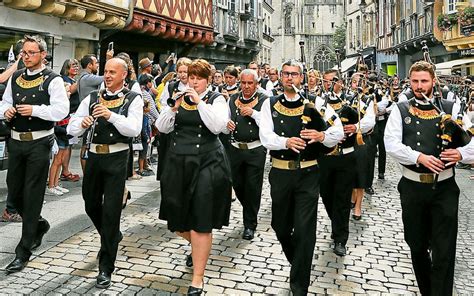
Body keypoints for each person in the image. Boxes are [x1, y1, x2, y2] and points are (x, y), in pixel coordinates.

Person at [384, 61, 474, 295]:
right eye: (415, 81)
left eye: (424, 81)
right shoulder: (400, 109)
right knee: (417, 245)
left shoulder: (450, 108)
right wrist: (419, 157)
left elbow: (471, 138)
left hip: (444, 188)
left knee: (444, 250)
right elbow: (391, 144)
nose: (419, 86)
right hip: (413, 188)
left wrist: (461, 153)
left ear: (433, 81)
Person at [259, 59, 343, 295]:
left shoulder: (315, 103)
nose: (289, 78)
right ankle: (299, 262)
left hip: (308, 172)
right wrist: (285, 141)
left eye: (294, 74)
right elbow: (265, 136)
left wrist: (320, 135)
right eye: (285, 74)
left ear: (302, 78)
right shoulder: (270, 104)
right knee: (280, 226)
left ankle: (299, 286)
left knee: (306, 230)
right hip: (280, 172)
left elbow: (336, 131)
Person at [156, 58, 232, 295]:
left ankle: (197, 278)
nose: (194, 81)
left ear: (208, 80)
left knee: (201, 220)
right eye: (191, 77)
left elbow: (217, 126)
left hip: (207, 163)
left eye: (199, 78)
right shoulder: (179, 97)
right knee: (176, 219)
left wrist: (199, 102)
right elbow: (162, 127)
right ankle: (200, 246)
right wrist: (173, 108)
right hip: (179, 162)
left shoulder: (216, 99)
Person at [67, 58, 143, 288]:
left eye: (112, 72)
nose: (107, 75)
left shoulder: (133, 98)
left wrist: (111, 116)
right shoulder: (92, 97)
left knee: (111, 212)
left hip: (117, 158)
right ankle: (112, 235)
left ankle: (105, 267)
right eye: (105, 71)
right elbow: (71, 127)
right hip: (94, 157)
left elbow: (134, 128)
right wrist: (83, 123)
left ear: (123, 75)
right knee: (90, 204)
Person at [0, 35, 69, 273]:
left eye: (31, 53)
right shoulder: (17, 76)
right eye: (24, 53)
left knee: (32, 196)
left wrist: (36, 110)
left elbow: (62, 109)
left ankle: (23, 251)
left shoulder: (53, 79)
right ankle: (39, 224)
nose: (26, 57)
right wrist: (6, 111)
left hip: (39, 143)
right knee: (15, 197)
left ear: (42, 55)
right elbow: (4, 101)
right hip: (16, 142)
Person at [225, 69, 268, 240]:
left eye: (250, 83)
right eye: (243, 83)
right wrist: (226, 124)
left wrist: (253, 113)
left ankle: (250, 223)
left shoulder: (264, 100)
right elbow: (226, 118)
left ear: (256, 84)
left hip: (255, 150)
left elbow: (267, 124)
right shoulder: (233, 99)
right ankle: (249, 209)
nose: (246, 86)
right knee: (237, 185)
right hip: (235, 149)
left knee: (252, 187)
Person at [157, 57, 192, 180]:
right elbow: (164, 103)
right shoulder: (171, 86)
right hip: (172, 124)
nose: (182, 75)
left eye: (185, 72)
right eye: (180, 71)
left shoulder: (194, 86)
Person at [59, 58, 81, 183]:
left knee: (70, 145)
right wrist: (82, 81)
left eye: (77, 66)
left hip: (73, 115)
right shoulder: (64, 80)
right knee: (65, 145)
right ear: (67, 68)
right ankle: (65, 171)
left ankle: (65, 170)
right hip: (66, 116)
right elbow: (69, 91)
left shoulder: (73, 80)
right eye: (73, 66)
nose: (76, 68)